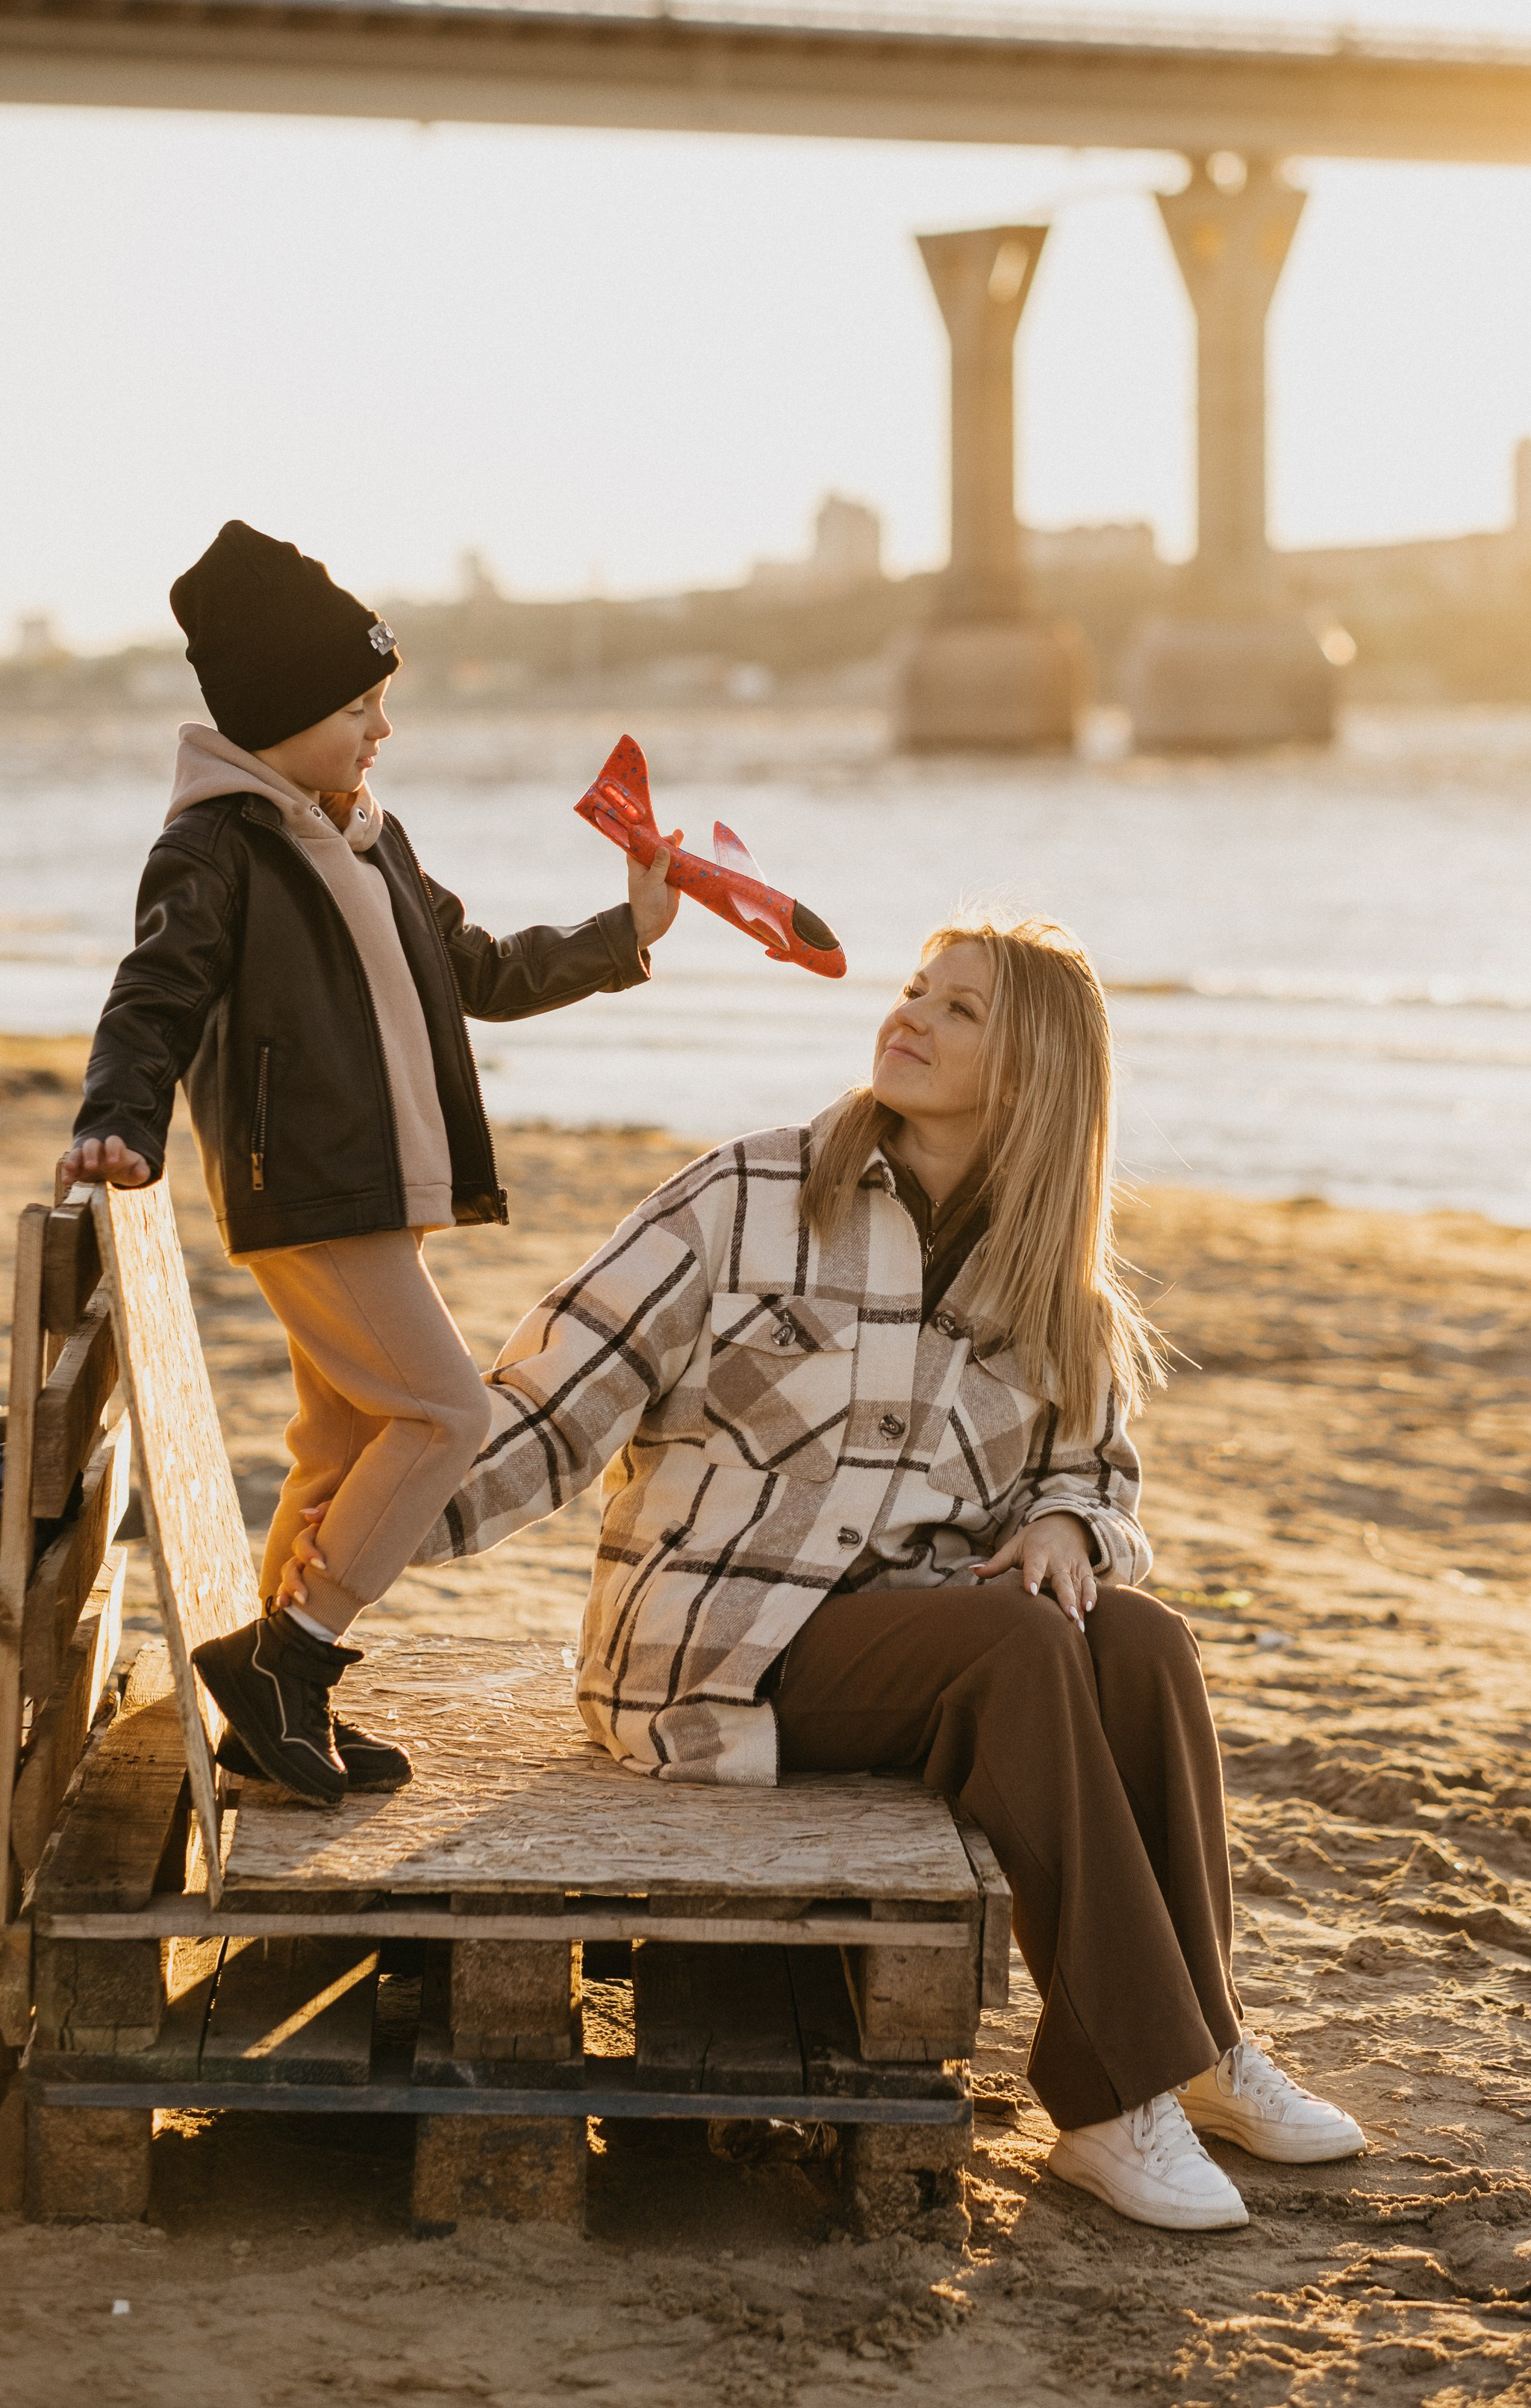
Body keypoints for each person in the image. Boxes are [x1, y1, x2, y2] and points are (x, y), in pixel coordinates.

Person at [289, 910, 1366, 2233]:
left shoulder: (1052, 1284)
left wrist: (1065, 1533)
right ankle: (1108, 2104)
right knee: (1018, 1651)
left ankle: (1202, 2049)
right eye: (917, 989)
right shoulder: (747, 1196)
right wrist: (350, 1553)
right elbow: (554, 1410)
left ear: (1033, 1069)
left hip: (904, 1649)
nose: (909, 1014)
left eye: (960, 1008)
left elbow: (1099, 1476)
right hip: (708, 1659)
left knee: (1138, 1638)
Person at [57, 518, 679, 1806]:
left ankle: (273, 1714)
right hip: (308, 1194)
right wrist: (120, 1115)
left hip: (373, 1191)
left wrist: (630, 931)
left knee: (343, 1447)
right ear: (280, 716)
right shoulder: (215, 847)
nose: (380, 732)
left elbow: (481, 972)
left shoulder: (370, 836)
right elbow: (153, 997)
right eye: (358, 706)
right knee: (449, 1414)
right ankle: (290, 1656)